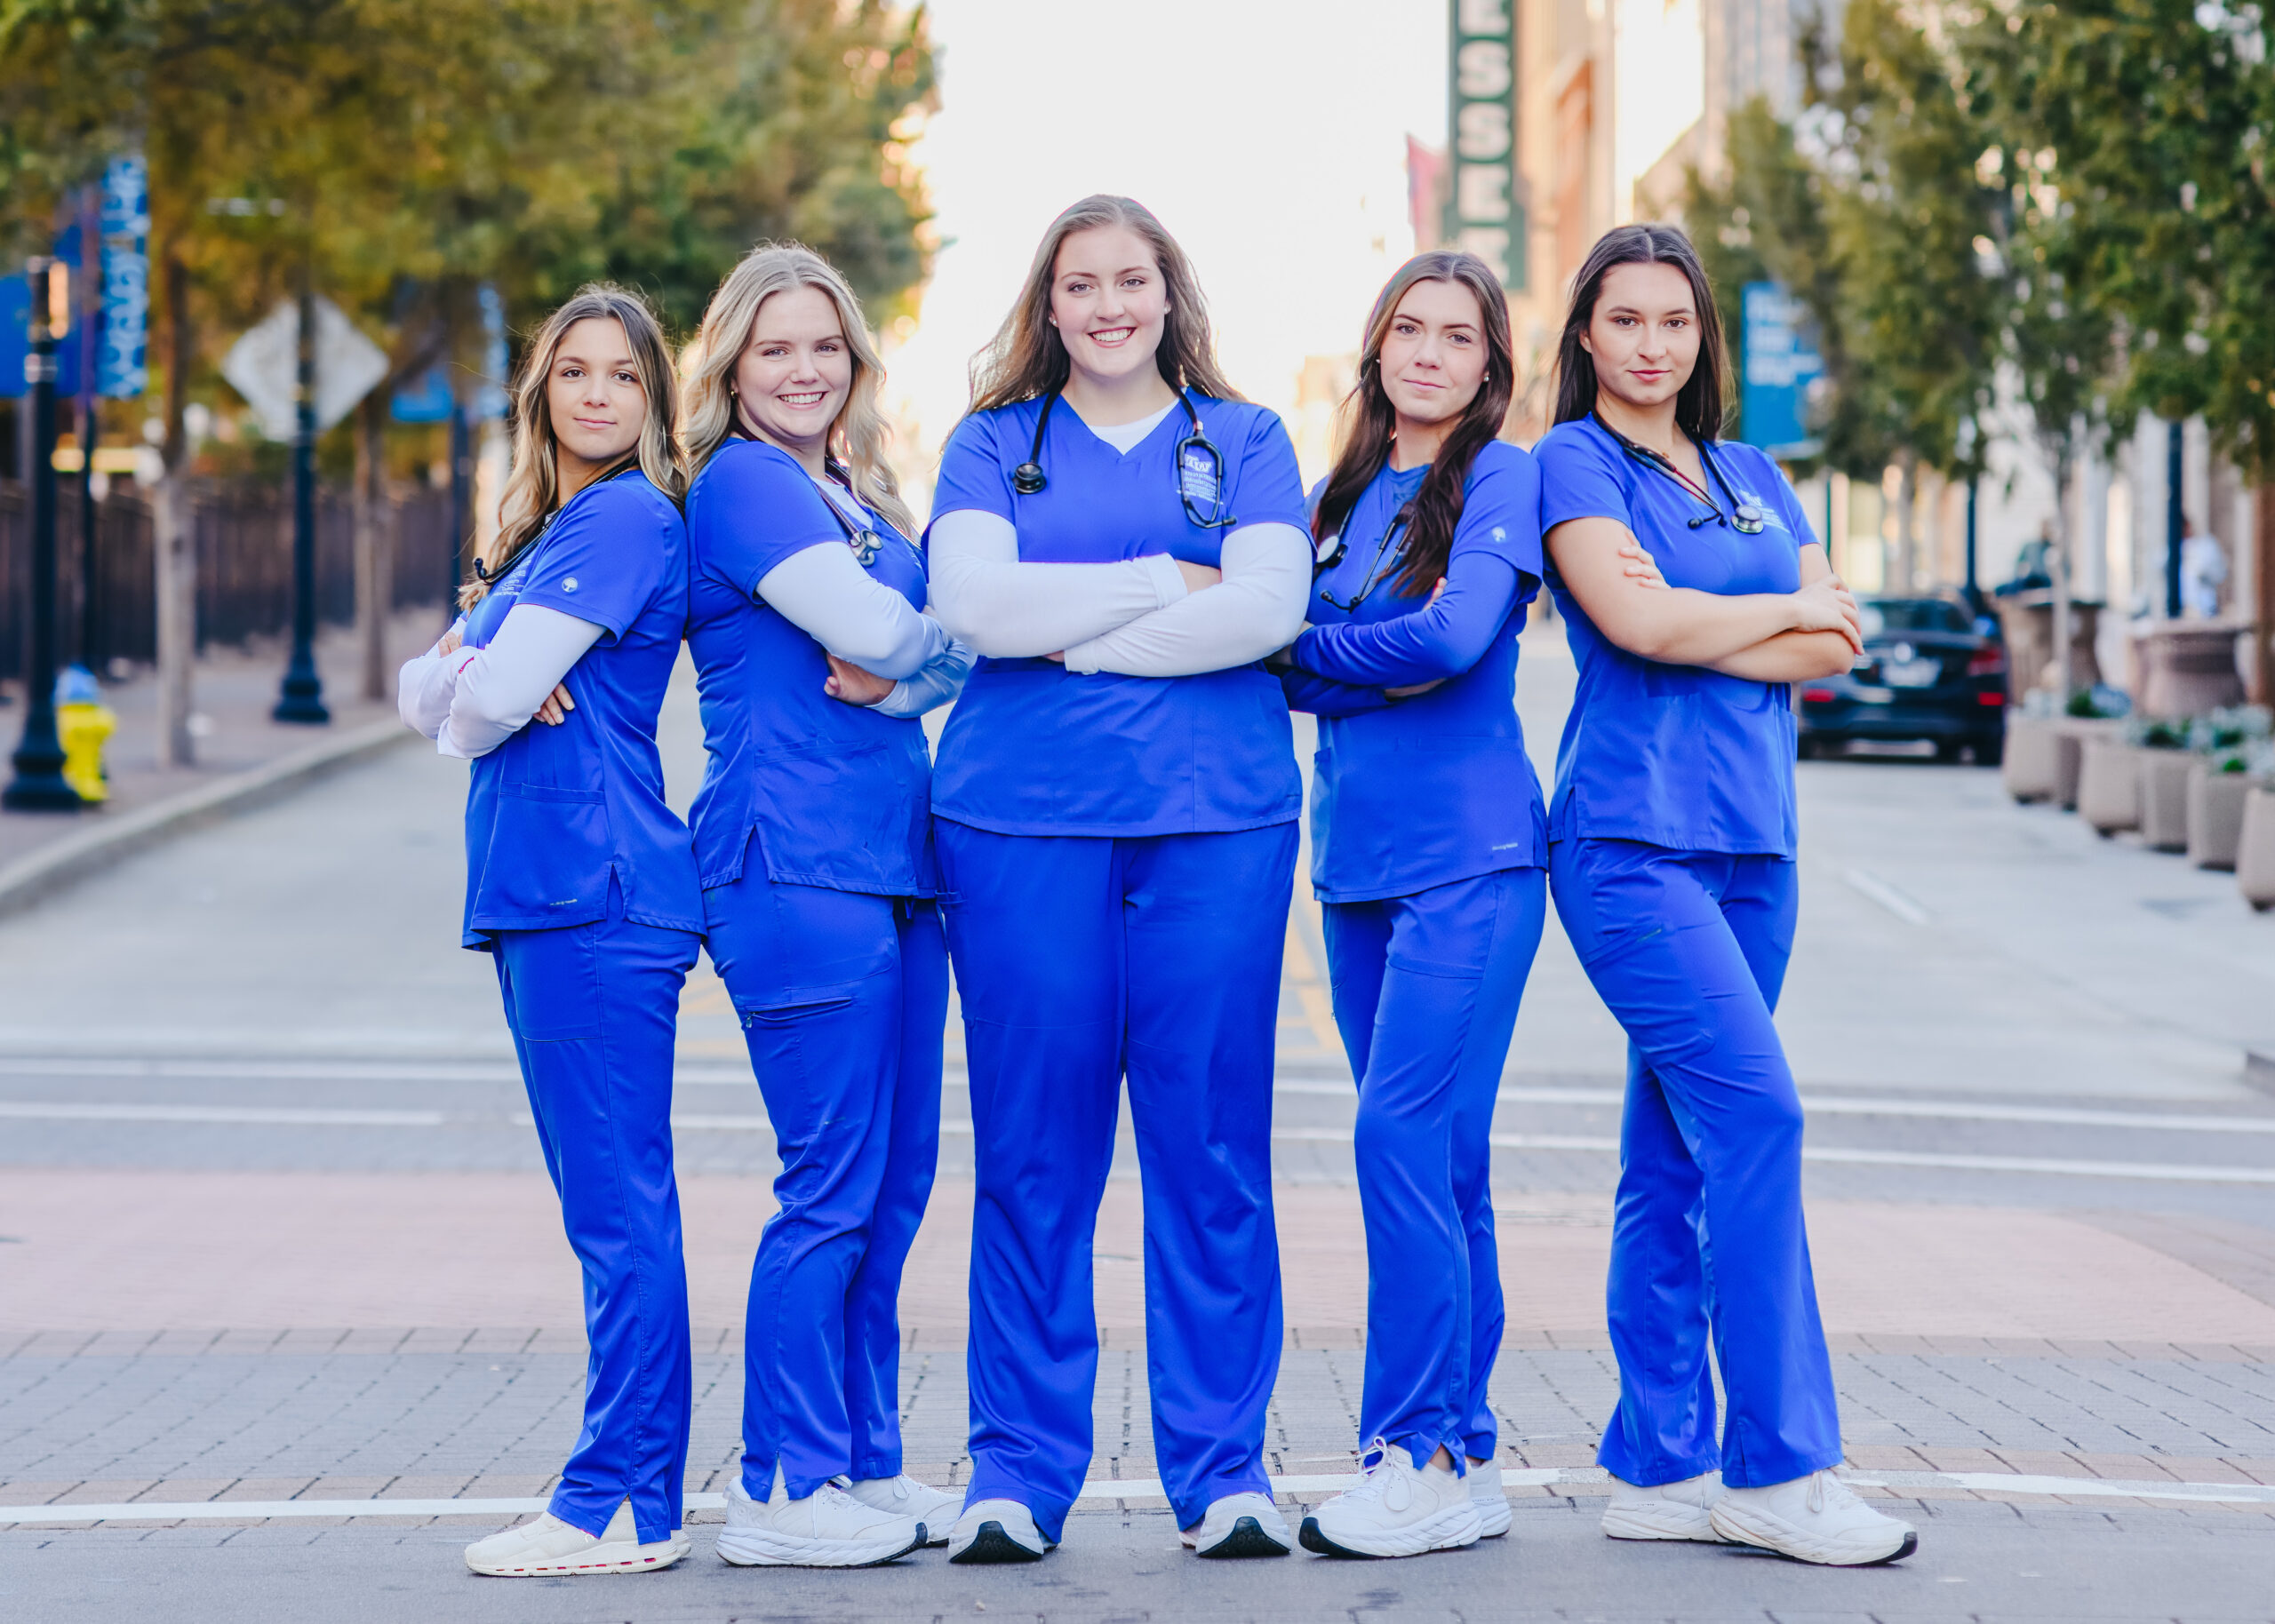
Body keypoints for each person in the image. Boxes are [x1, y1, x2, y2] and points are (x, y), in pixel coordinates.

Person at [925, 195, 1312, 1564]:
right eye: (1080, 284)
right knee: (1035, 1150)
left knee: (1211, 1147)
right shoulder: (989, 447)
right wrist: (1163, 577)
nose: (1107, 306)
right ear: (1048, 304)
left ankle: (1223, 1472)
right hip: (1020, 827)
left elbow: (1268, 610)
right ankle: (1018, 1473)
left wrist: (1074, 640)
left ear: (1169, 294)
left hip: (1217, 828)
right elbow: (976, 611)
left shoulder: (1248, 437)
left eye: (1130, 280)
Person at [1534, 223, 1916, 1567]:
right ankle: (1778, 1466)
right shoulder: (1572, 462)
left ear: (1704, 338)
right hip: (1631, 845)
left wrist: (1716, 613)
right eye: (1625, 320)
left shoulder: (1755, 472)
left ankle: (1656, 1461)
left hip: (1759, 848)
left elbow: (1840, 637)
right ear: (1586, 334)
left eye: (1675, 322)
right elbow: (1638, 630)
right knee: (1761, 1118)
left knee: (1676, 1148)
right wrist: (1772, 619)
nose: (1651, 344)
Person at [1277, 251, 1649, 1559]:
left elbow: (1452, 639)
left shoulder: (1505, 472)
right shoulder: (1333, 495)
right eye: (1409, 330)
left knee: (1395, 1139)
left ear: (1494, 364)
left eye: (1459, 337)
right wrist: (1332, 664)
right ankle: (1463, 1448)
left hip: (1474, 861)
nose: (1430, 354)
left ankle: (1416, 1450)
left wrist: (1304, 650)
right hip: (1357, 870)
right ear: (1376, 348)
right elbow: (1339, 672)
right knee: (1442, 1160)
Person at [396, 286, 703, 1578]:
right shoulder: (546, 533)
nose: (595, 395)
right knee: (609, 1207)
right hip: (550, 890)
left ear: (650, 401)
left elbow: (478, 702)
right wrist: (484, 674)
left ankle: (619, 1503)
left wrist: (487, 674)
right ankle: (627, 1489)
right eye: (572, 372)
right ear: (541, 394)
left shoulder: (625, 514)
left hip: (598, 891)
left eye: (622, 376)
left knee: (618, 1210)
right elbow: (429, 696)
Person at [679, 243, 972, 1567]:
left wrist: (915, 661)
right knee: (831, 1187)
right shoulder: (744, 484)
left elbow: (929, 653)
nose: (804, 370)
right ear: (733, 366)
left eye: (825, 348)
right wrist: (920, 653)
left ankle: (859, 1460)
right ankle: (781, 1485)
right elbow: (911, 633)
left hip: (895, 869)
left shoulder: (846, 488)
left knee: (894, 1187)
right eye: (775, 348)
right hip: (792, 869)